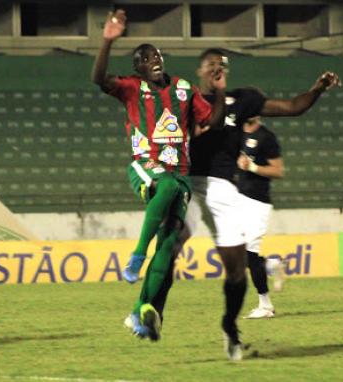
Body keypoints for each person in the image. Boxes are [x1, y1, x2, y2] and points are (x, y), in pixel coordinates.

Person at [146, 49, 341, 360]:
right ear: (200, 70)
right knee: (170, 243)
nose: (215, 69)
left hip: (224, 190)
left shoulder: (244, 99)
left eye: (220, 65)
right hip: (192, 185)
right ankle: (153, 310)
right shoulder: (187, 100)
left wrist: (316, 89)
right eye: (210, 64)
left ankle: (230, 329)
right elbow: (203, 128)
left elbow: (292, 107)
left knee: (237, 271)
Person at [91, 10, 226, 341]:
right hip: (145, 165)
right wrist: (108, 40)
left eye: (156, 55)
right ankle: (137, 255)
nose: (154, 59)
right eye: (145, 58)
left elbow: (212, 123)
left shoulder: (183, 88)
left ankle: (140, 312)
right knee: (163, 186)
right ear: (137, 67)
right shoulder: (132, 88)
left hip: (181, 173)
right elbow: (99, 79)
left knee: (168, 245)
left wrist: (220, 90)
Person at [236, 116, 284, 319]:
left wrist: (253, 167)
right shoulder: (237, 134)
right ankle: (270, 265)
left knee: (248, 252)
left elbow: (278, 170)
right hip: (237, 199)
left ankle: (266, 306)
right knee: (240, 254)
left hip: (258, 202)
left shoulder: (266, 137)